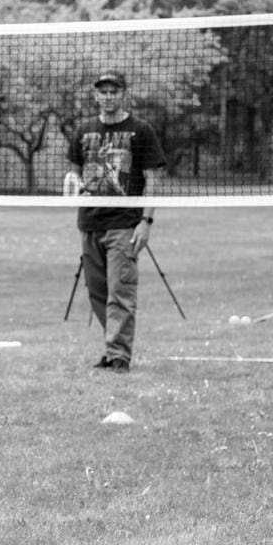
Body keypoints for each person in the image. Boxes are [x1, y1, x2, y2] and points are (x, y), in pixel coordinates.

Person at [65, 69, 166, 372]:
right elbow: (74, 171)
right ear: (96, 94)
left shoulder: (141, 130)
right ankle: (112, 348)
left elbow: (152, 180)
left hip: (124, 224)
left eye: (114, 91)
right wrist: (73, 183)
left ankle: (119, 356)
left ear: (123, 93)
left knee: (120, 292)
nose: (108, 97)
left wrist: (146, 222)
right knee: (98, 293)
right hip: (89, 224)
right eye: (103, 91)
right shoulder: (83, 131)